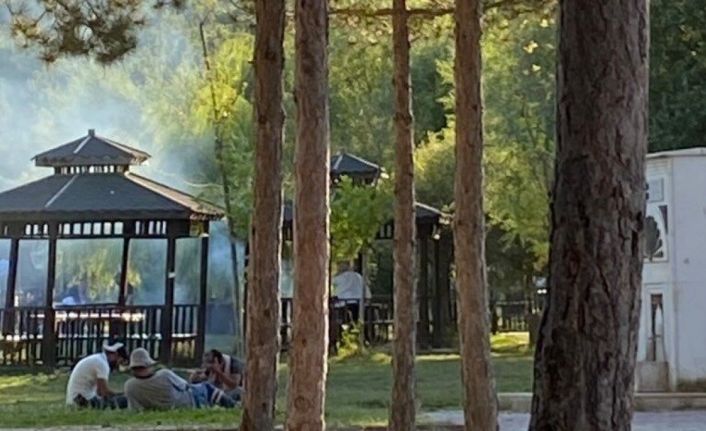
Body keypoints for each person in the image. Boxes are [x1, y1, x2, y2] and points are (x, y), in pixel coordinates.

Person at [124, 348, 236, 411]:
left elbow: (134, 408)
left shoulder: (129, 386)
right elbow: (185, 386)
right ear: (148, 364)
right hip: (188, 402)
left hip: (161, 409)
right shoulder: (164, 374)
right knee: (208, 388)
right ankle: (234, 406)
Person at [65, 340, 129, 409]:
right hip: (83, 401)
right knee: (125, 400)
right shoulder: (102, 364)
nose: (118, 364)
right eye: (120, 361)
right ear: (116, 354)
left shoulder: (98, 359)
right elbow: (102, 392)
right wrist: (121, 394)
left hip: (77, 399)